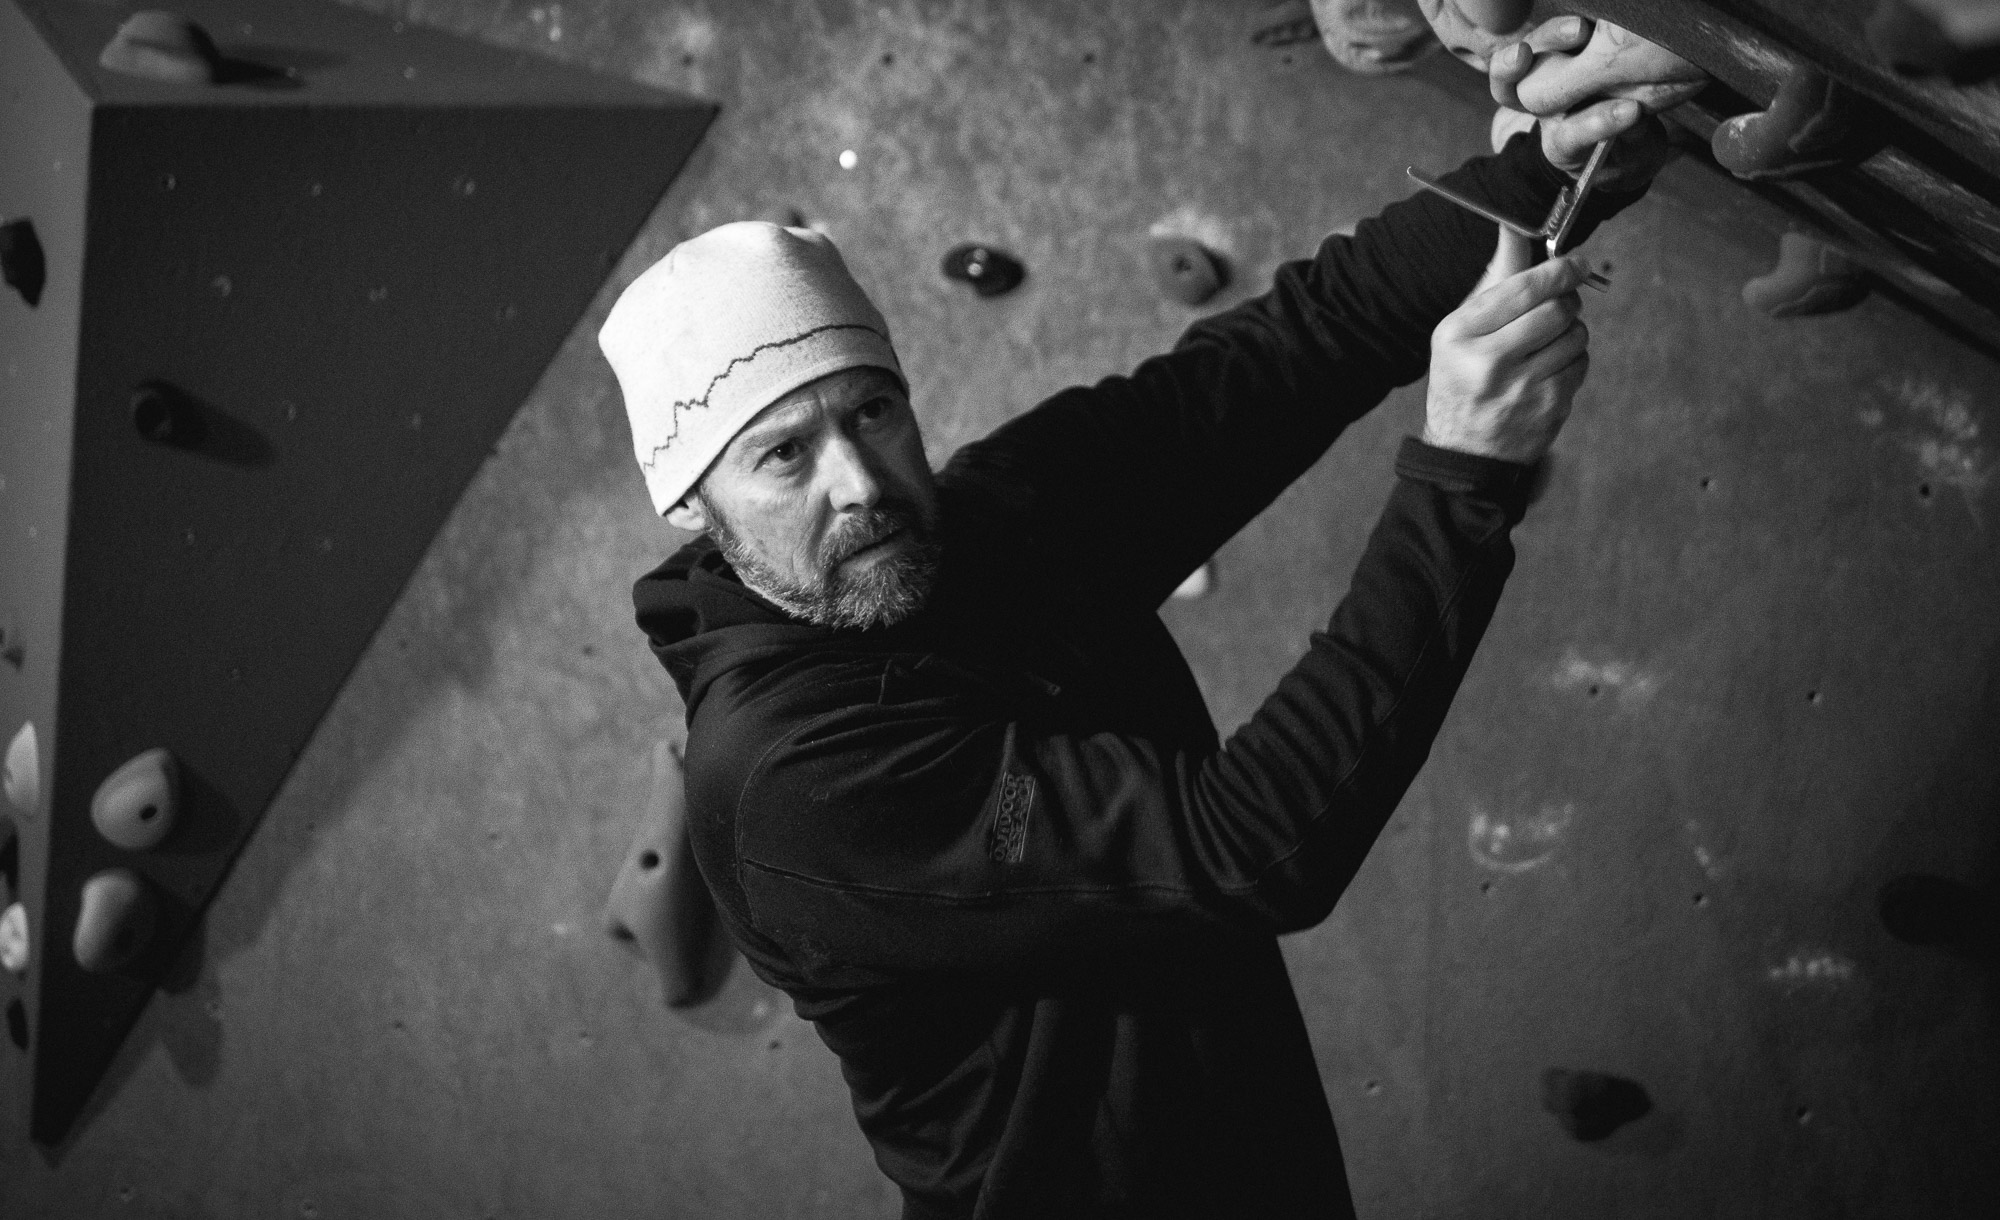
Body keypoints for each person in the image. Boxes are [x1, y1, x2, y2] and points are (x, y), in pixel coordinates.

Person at [600, 46, 1664, 1218]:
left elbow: (1291, 349)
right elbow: (1245, 846)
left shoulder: (972, 527)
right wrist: (1463, 473)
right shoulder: (791, 777)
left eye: (871, 411)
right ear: (693, 504)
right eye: (783, 454)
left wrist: (1543, 174)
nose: (859, 482)